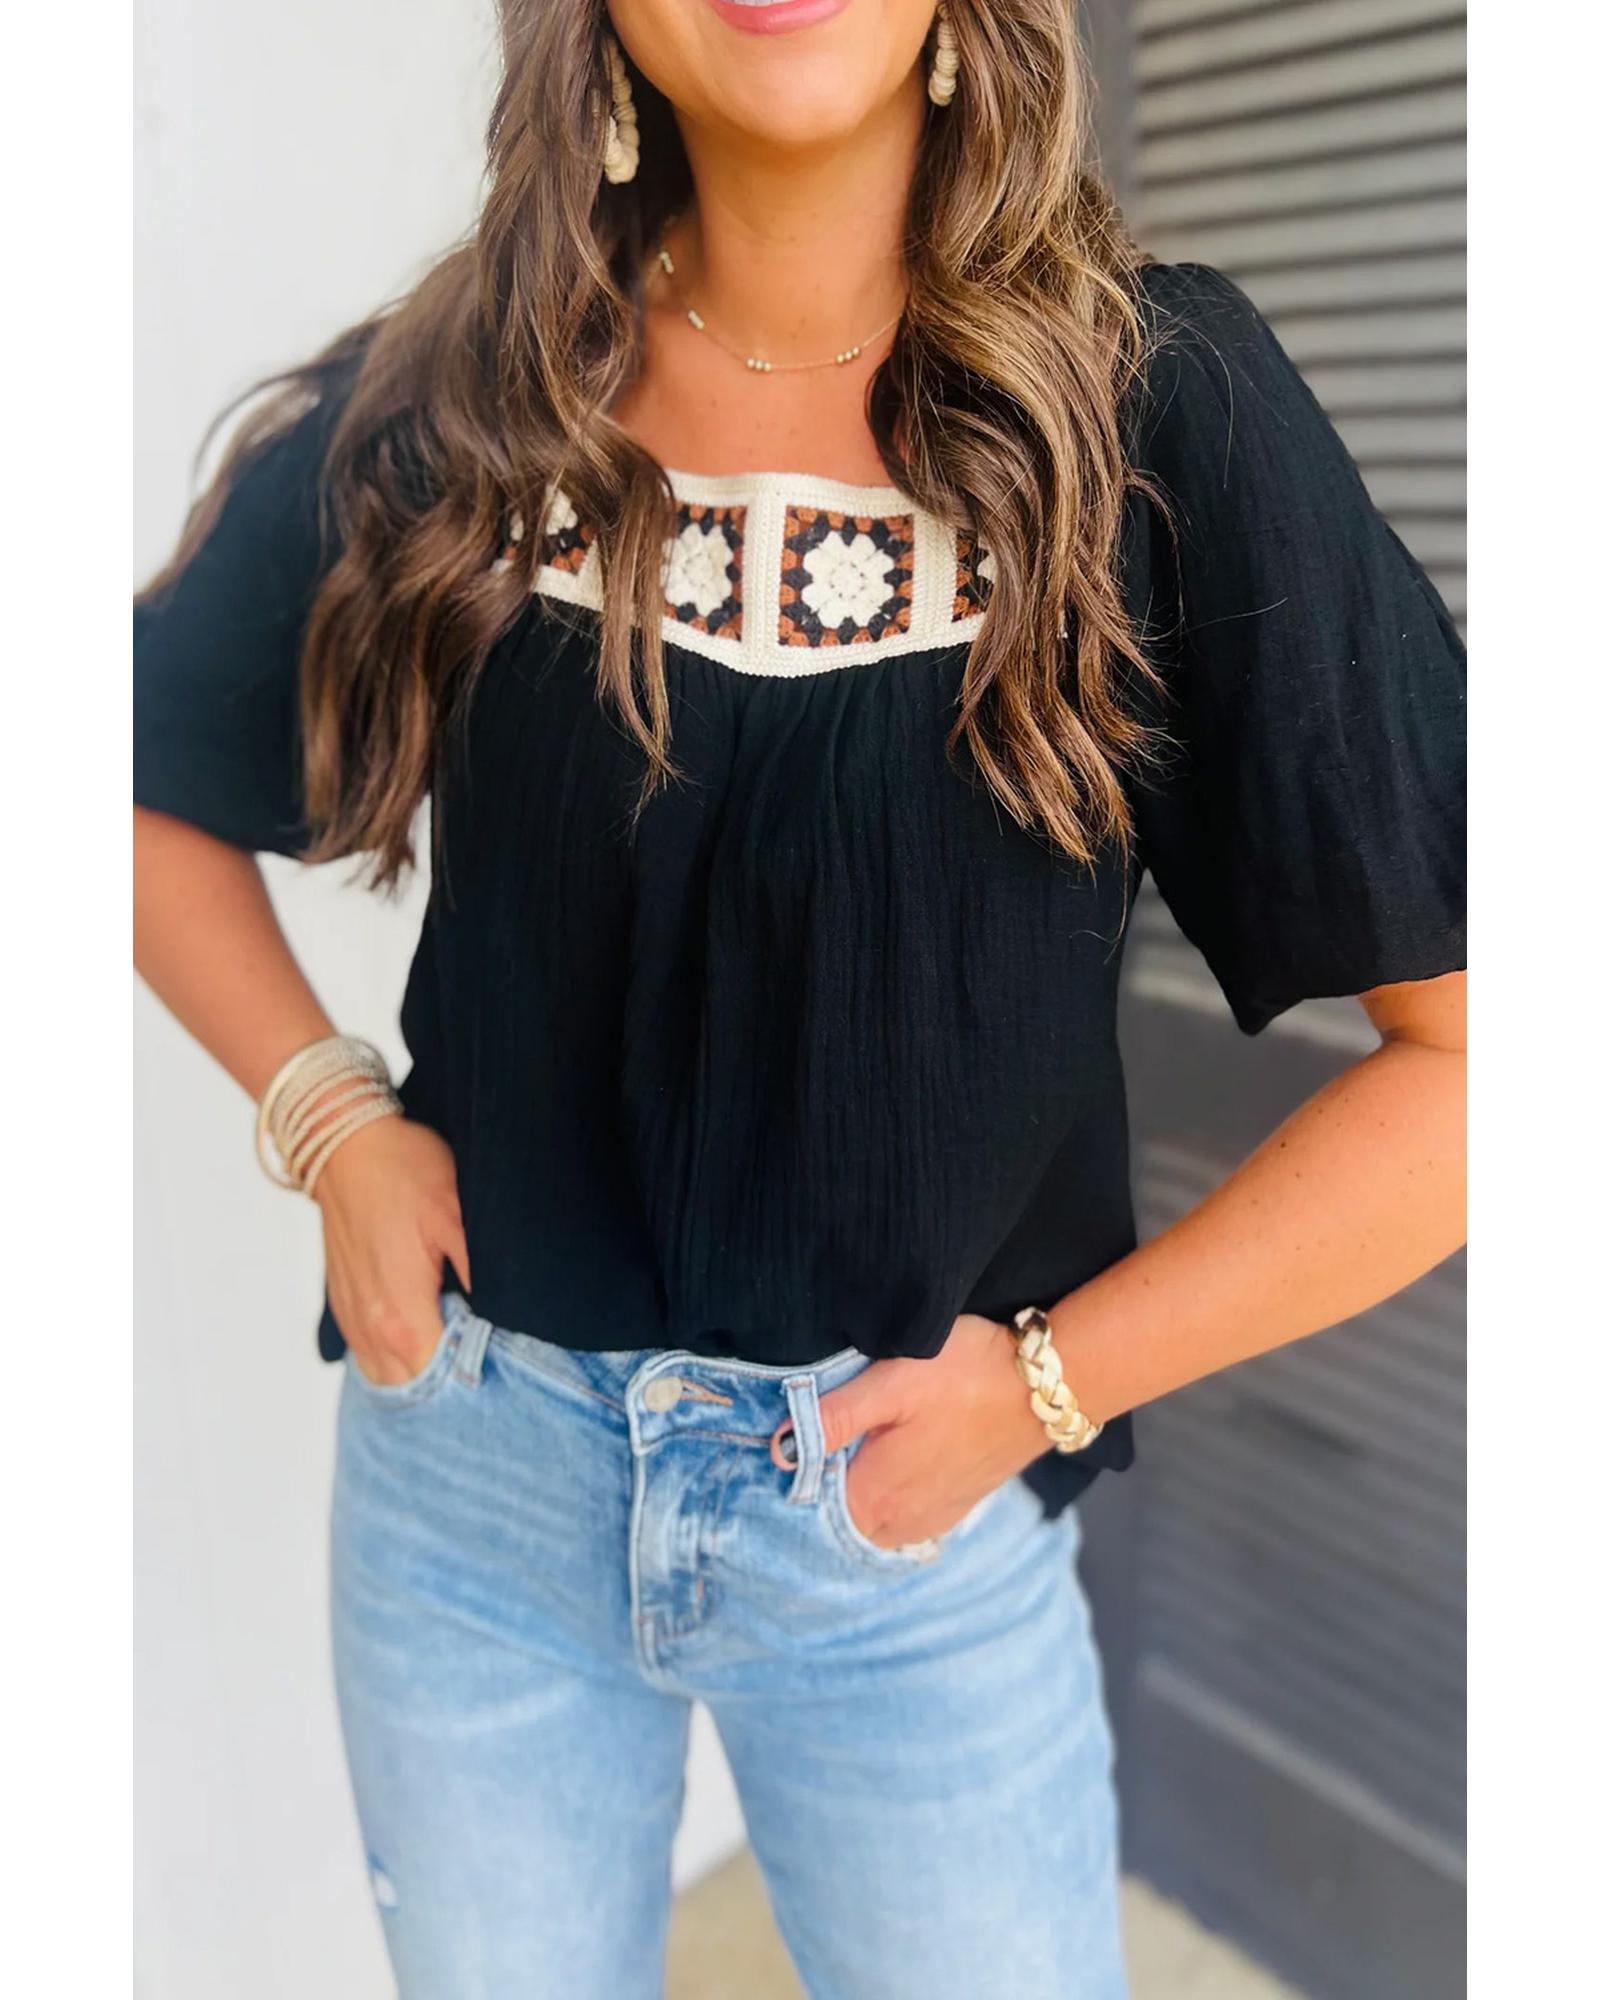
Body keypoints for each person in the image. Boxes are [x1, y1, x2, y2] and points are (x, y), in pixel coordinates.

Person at [132, 4, 1467, 1995]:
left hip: (907, 1541)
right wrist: (327, 1119)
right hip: (470, 1491)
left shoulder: (1149, 408)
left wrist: (1049, 1382)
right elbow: (127, 776)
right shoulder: (477, 391)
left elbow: (1477, 1073)